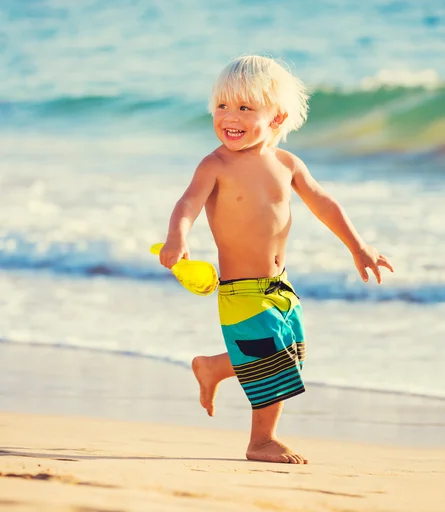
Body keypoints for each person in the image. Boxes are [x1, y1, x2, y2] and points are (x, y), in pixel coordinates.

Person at [159, 55, 394, 464]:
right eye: (222, 106)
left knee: (293, 355)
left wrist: (358, 246)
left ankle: (214, 367)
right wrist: (177, 237)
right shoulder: (215, 164)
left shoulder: (288, 164)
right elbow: (187, 204)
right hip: (241, 290)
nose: (229, 116)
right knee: (273, 366)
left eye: (245, 108)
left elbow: (323, 202)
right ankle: (261, 441)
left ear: (277, 116)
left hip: (280, 285)